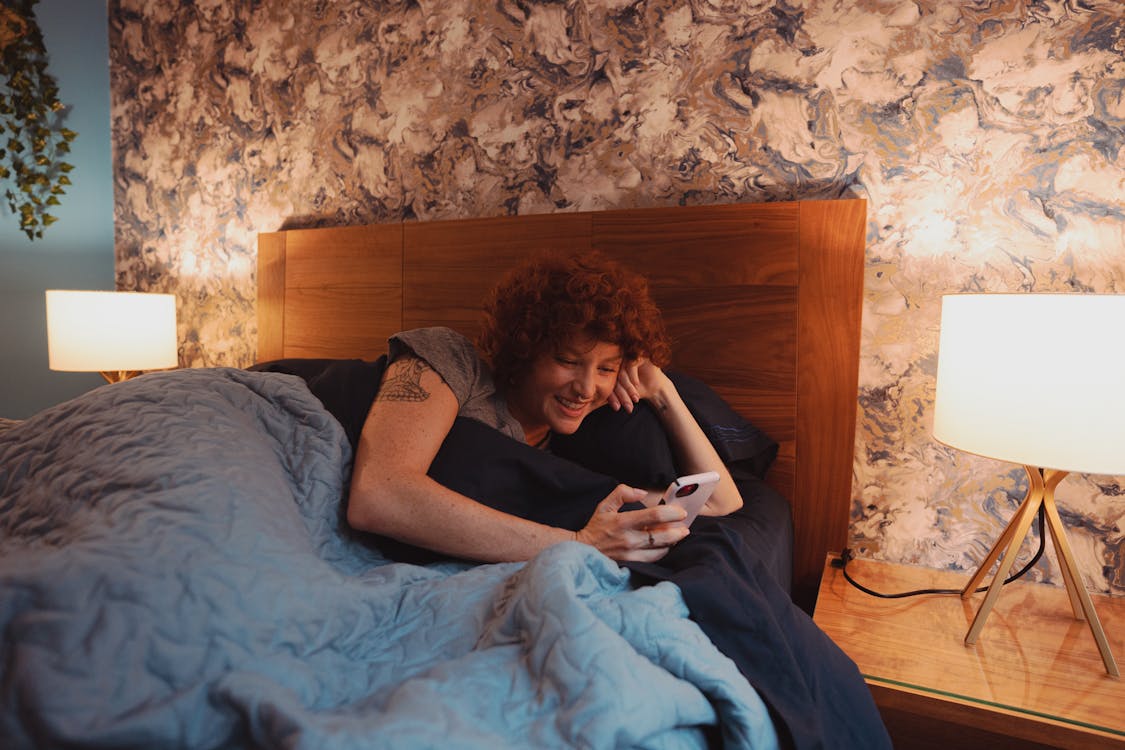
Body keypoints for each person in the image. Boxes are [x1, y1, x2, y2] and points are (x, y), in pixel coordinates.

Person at [346, 251, 742, 563]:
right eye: (568, 361)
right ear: (525, 349)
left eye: (607, 368)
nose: (586, 388)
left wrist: (660, 390)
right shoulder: (456, 363)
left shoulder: (568, 459)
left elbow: (721, 502)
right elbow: (378, 497)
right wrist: (576, 543)